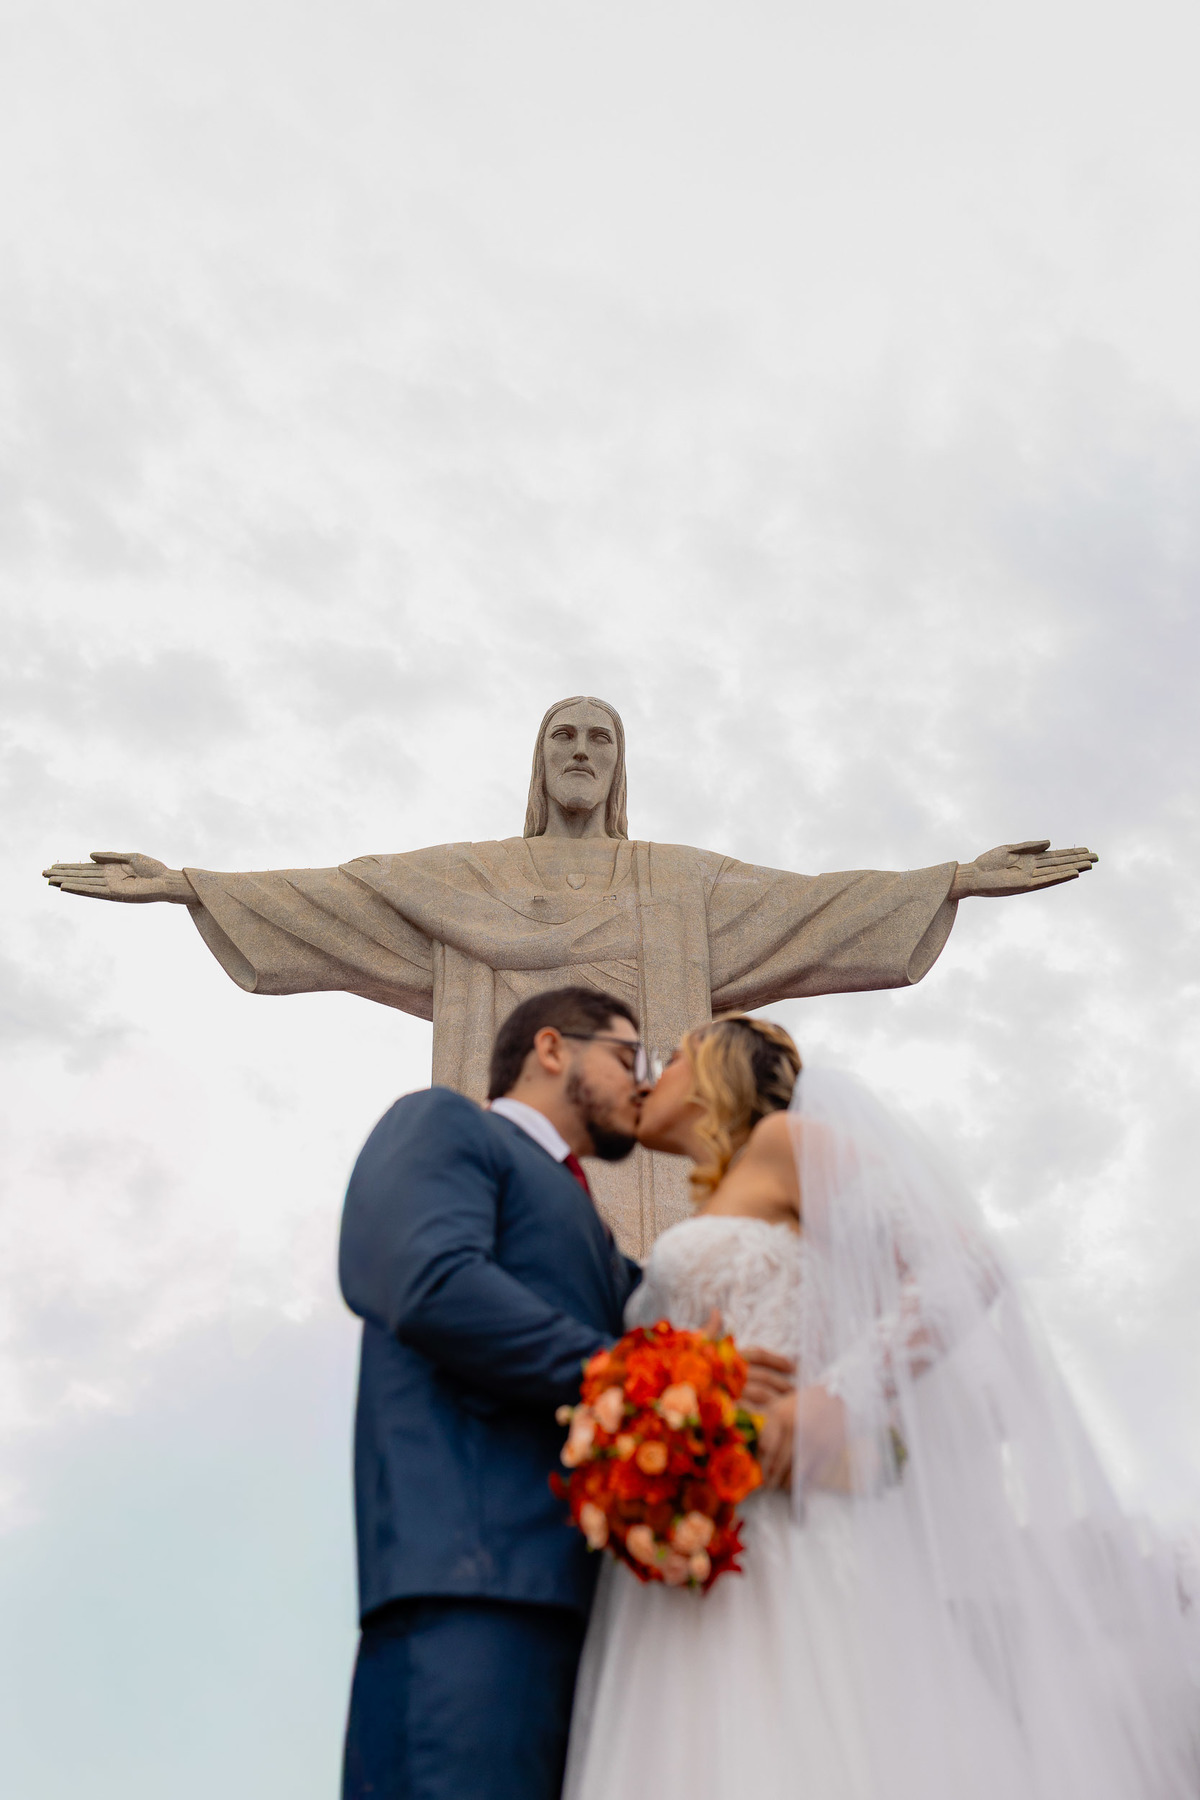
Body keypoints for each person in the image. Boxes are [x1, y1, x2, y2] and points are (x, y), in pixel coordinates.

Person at [42, 694, 1097, 1252]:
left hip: (656, 1191)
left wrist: (952, 880)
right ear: (540, 761)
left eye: (600, 737)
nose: (582, 750)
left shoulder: (678, 884)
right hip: (510, 1174)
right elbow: (342, 897)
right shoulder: (465, 880)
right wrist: (189, 886)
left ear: (619, 765)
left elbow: (810, 904)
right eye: (564, 736)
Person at [564, 1015, 1199, 1800]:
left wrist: (835, 1400)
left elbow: (962, 1266)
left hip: (790, 1525)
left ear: (714, 1072)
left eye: (668, 1059)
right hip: (695, 1546)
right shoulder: (710, 1210)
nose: (648, 1079)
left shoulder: (786, 1144)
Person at [337, 987, 792, 1800]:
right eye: (627, 1057)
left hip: (603, 1619)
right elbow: (428, 1281)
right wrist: (644, 1379)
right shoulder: (445, 1124)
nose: (643, 1082)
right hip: (472, 1585)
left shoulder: (598, 1237)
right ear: (552, 1049)